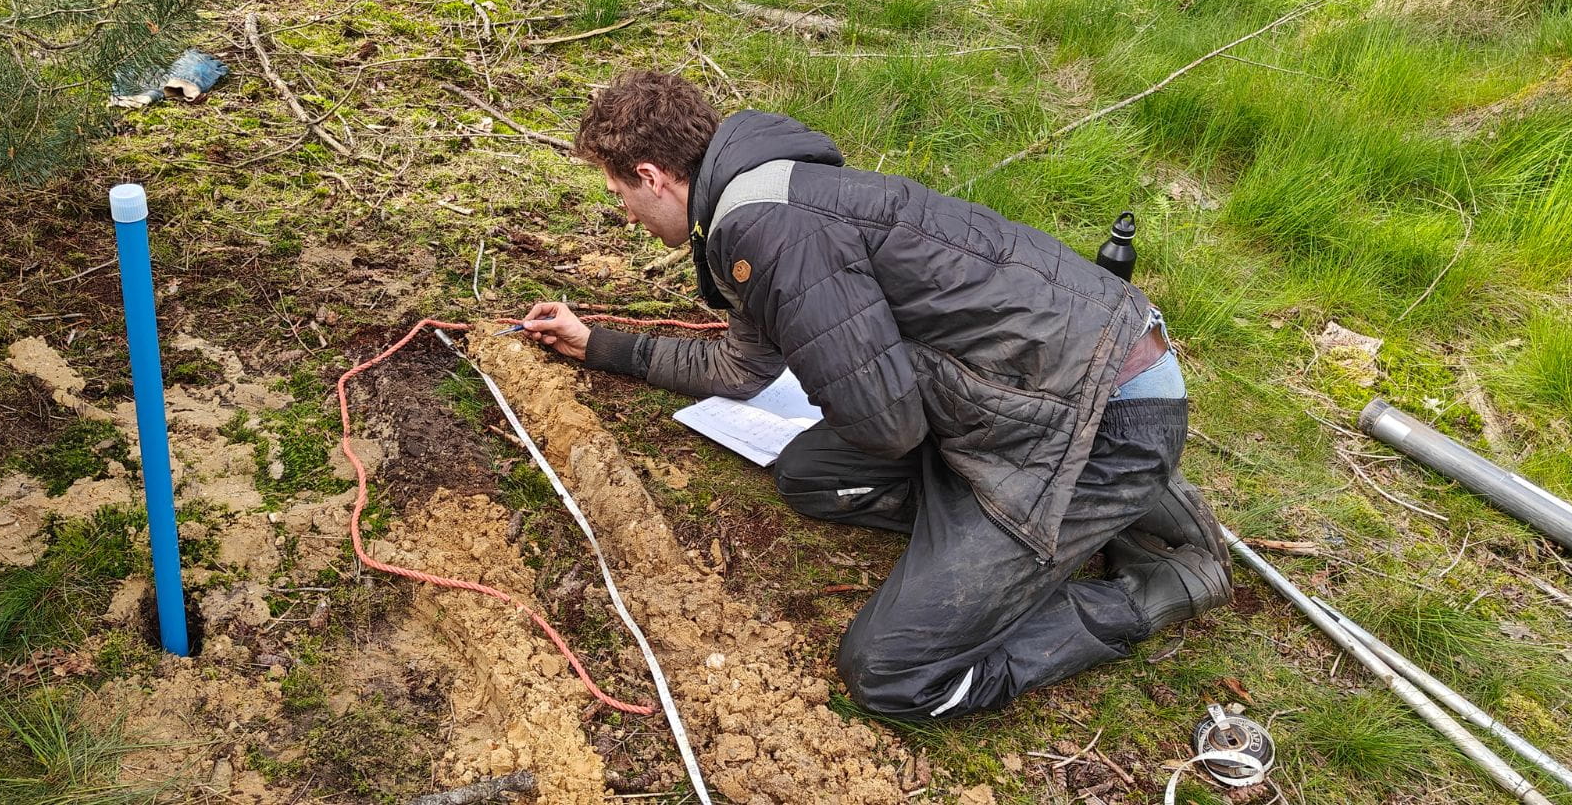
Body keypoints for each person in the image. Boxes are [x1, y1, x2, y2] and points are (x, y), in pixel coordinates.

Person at [514, 67, 1231, 719]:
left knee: (892, 673)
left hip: (1094, 418)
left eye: (621, 197)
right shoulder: (765, 195)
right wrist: (599, 345)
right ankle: (1091, 512)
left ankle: (1162, 578)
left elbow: (886, 426)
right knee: (810, 475)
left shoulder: (768, 226)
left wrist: (837, 373)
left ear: (652, 175)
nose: (626, 217)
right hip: (1022, 395)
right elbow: (742, 369)